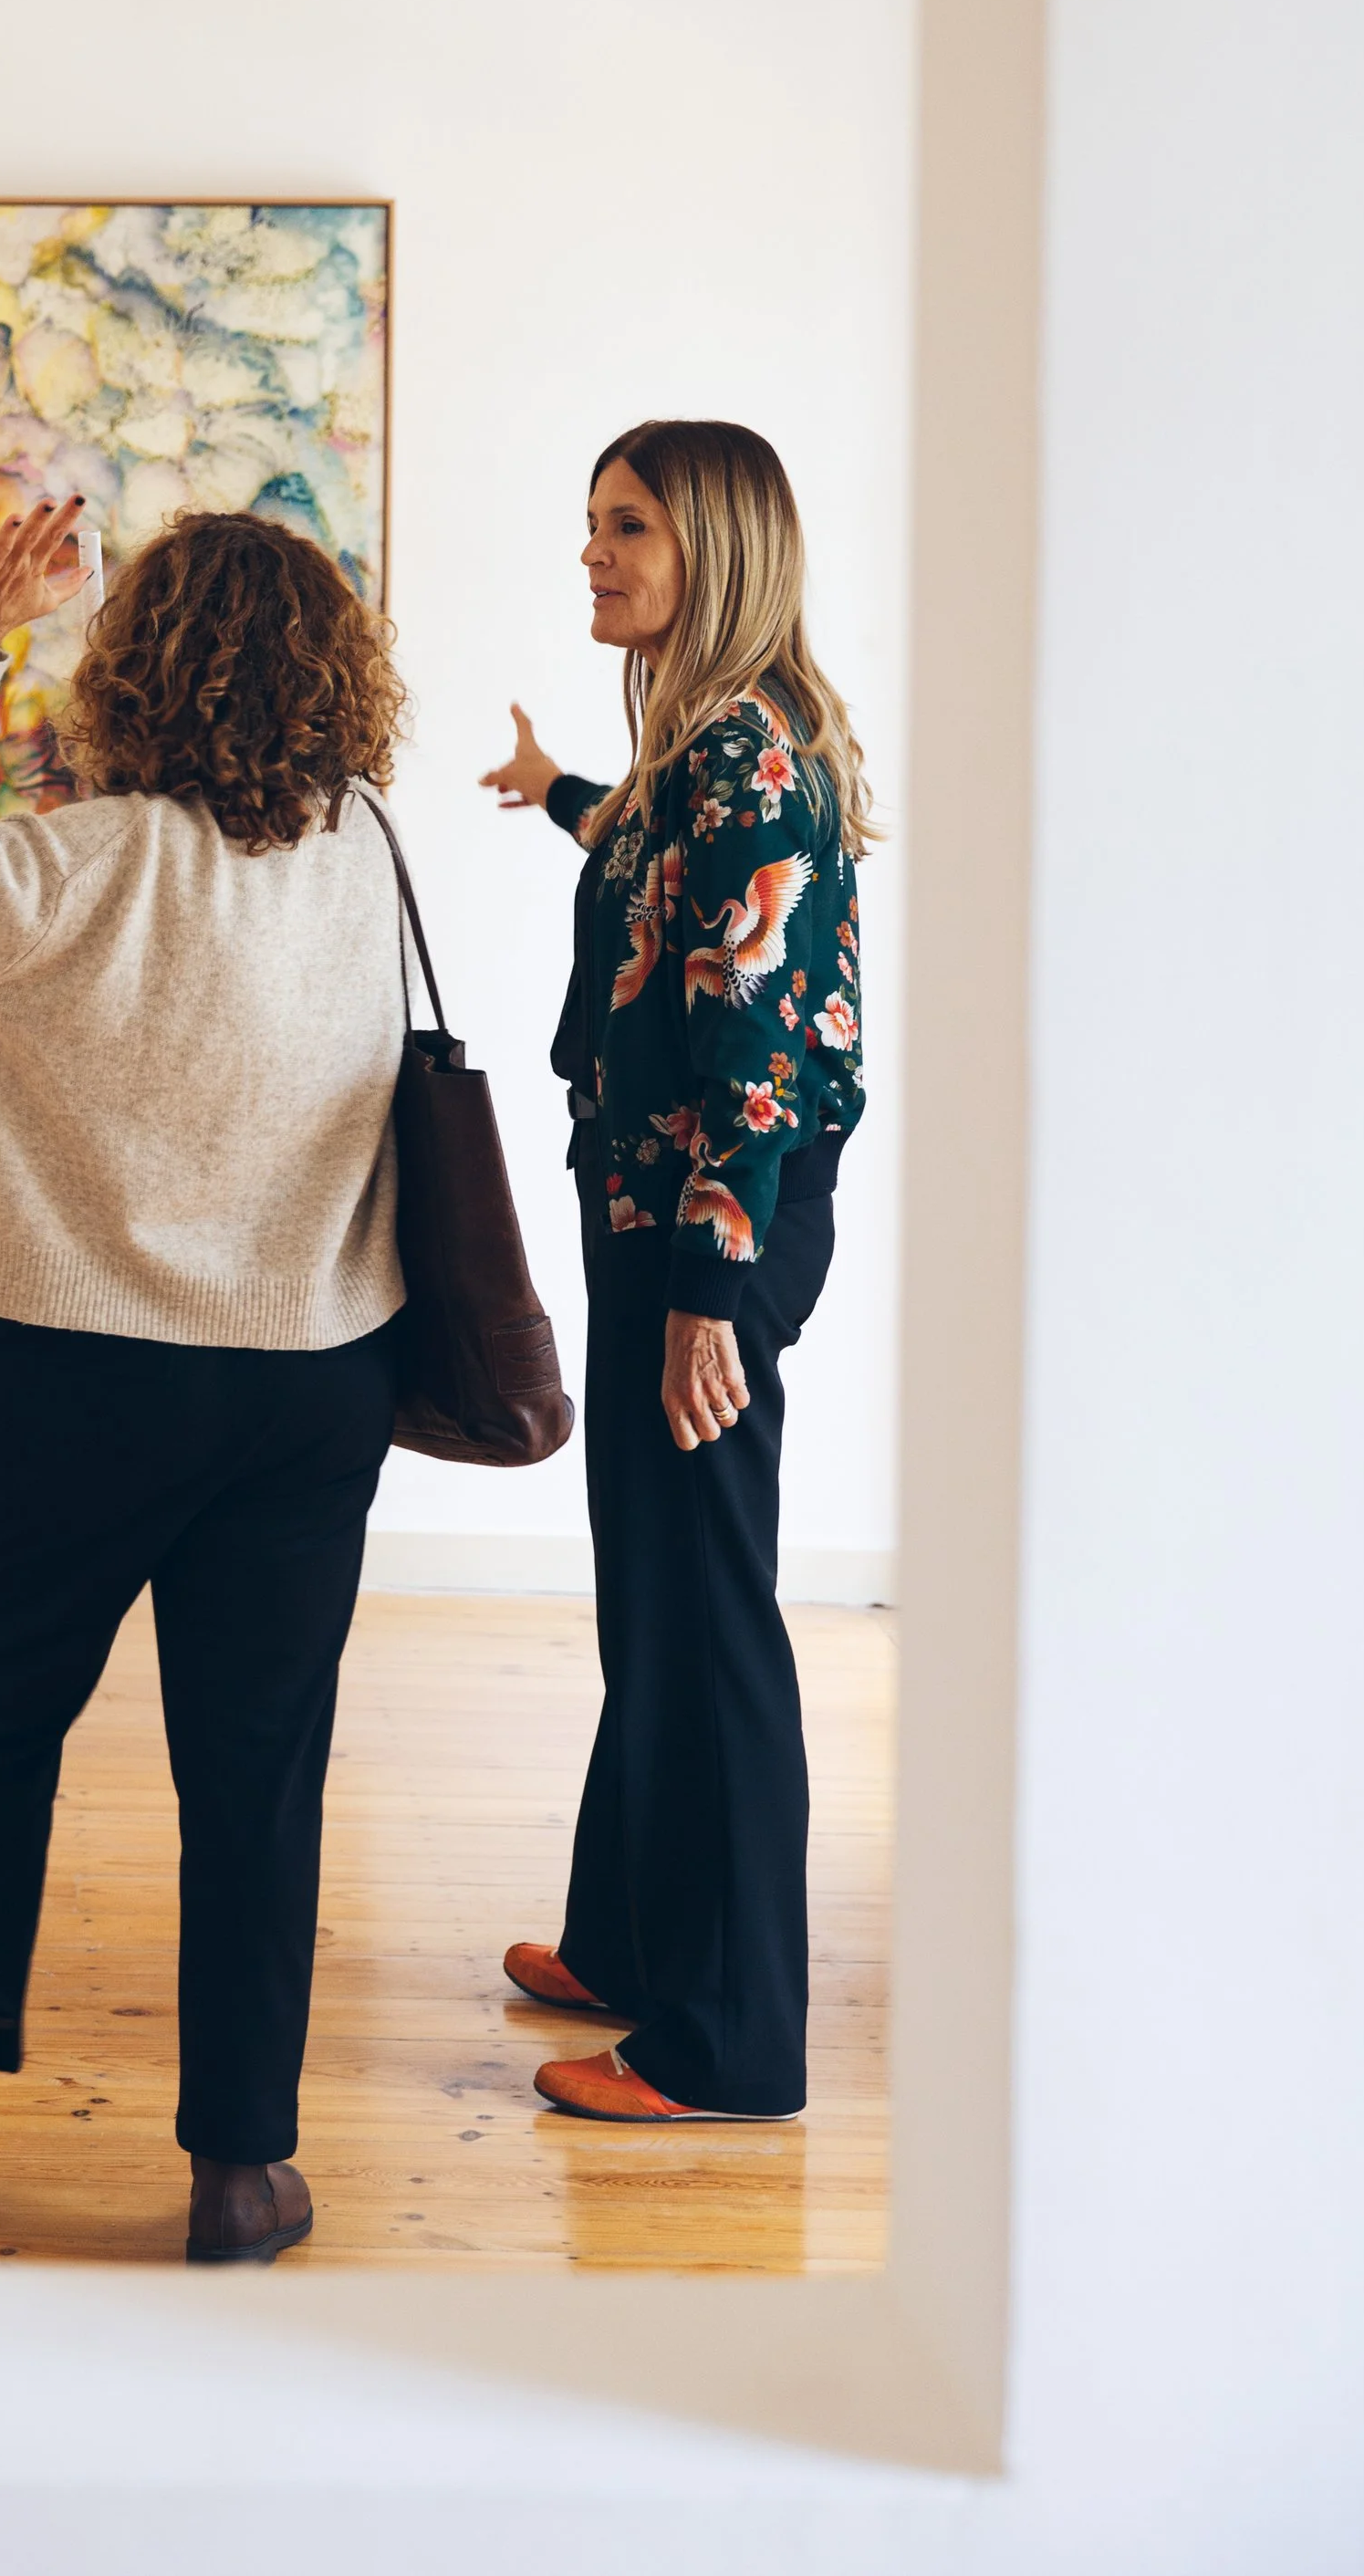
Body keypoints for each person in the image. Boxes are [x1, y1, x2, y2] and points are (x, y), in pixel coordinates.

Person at [0, 496, 409, 2262]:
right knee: (259, 1769)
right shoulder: (368, 852)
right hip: (308, 1375)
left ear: (135, 667)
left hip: (73, 1372)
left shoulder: (67, 869)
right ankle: (239, 2166)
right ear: (335, 677)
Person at [479, 420, 872, 2125]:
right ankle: (631, 1936)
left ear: (712, 548)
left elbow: (761, 1047)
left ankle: (731, 2045)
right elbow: (655, 871)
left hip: (713, 1219)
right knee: (653, 1583)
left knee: (707, 1609)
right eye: (594, 521)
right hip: (660, 1208)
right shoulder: (699, 751)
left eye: (628, 524)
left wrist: (711, 1287)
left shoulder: (744, 759)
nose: (595, 550)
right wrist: (553, 788)